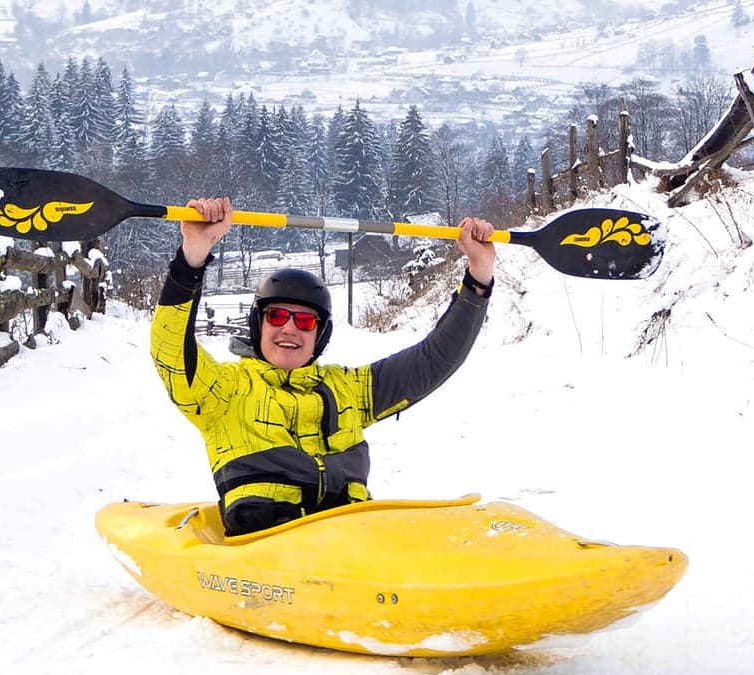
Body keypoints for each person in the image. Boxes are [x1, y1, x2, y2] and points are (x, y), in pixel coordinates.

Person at [151, 197, 496, 536]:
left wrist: (478, 278)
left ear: (320, 335)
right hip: (267, 548)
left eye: (304, 321)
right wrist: (191, 259)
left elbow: (434, 360)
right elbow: (170, 350)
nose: (289, 328)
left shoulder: (348, 389)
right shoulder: (223, 391)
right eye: (277, 316)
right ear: (259, 325)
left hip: (349, 543)